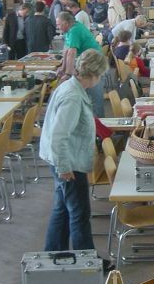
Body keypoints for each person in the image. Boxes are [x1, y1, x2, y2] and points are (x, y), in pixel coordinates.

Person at [39, 48, 109, 251]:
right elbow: (59, 135)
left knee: (62, 209)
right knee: (79, 213)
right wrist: (64, 167)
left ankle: (54, 253)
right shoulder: (73, 97)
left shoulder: (71, 87)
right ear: (93, 75)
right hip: (68, 163)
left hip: (64, 159)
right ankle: (86, 260)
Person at [56, 11, 104, 117]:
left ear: (65, 23)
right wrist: (63, 67)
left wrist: (68, 74)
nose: (57, 27)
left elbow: (72, 53)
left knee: (95, 97)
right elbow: (67, 50)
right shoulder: (70, 29)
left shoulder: (75, 30)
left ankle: (99, 122)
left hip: (95, 63)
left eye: (59, 24)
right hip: (88, 60)